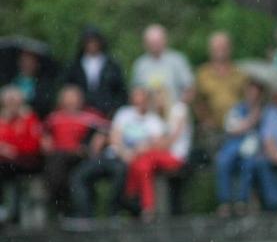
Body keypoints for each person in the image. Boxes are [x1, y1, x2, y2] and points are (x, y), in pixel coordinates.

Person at [70, 87, 165, 219]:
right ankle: (84, 215)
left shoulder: (153, 120)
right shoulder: (124, 113)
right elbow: (115, 136)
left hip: (132, 161)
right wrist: (124, 152)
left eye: (141, 98)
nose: (138, 102)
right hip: (113, 156)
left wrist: (137, 152)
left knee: (121, 175)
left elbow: (157, 143)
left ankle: (113, 212)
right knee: (79, 175)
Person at [123, 88, 192, 221]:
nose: (159, 101)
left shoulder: (178, 110)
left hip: (176, 155)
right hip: (163, 154)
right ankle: (145, 204)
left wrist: (145, 147)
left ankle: (132, 194)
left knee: (142, 161)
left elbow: (170, 141)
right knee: (143, 165)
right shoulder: (158, 116)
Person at [42, 85, 109, 217]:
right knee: (57, 163)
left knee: (58, 165)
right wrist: (45, 141)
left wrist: (99, 139)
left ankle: (62, 206)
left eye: (73, 98)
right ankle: (64, 206)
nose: (71, 102)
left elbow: (107, 129)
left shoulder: (90, 116)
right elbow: (42, 132)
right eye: (68, 98)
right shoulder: (54, 117)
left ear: (80, 99)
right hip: (58, 155)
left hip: (82, 154)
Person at [215, 80, 265, 217]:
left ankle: (241, 201)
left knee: (248, 164)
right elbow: (231, 129)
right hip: (235, 143)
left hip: (254, 147)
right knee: (223, 162)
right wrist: (251, 121)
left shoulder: (265, 111)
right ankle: (224, 202)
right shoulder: (238, 108)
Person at [194, 31, 246, 153]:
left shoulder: (240, 72)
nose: (220, 50)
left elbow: (247, 99)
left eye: (224, 46)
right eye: (217, 47)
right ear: (210, 50)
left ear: (230, 49)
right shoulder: (203, 73)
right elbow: (197, 101)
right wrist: (205, 120)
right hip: (214, 129)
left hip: (238, 127)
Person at [62, 26, 128, 118]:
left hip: (107, 111)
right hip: (80, 111)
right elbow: (68, 88)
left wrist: (114, 109)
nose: (92, 45)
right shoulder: (75, 65)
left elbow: (120, 90)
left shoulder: (112, 65)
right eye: (88, 42)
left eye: (94, 41)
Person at [0, 85, 43, 223]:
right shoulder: (2, 120)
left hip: (26, 161)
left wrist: (12, 148)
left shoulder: (29, 118)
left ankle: (9, 212)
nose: (12, 105)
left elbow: (33, 145)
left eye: (15, 101)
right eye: (9, 101)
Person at [131, 24, 195, 104]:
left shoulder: (177, 60)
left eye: (157, 41)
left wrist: (179, 107)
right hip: (149, 114)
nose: (155, 45)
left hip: (175, 110)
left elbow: (189, 89)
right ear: (145, 43)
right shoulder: (140, 65)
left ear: (165, 40)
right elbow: (136, 92)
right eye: (152, 42)